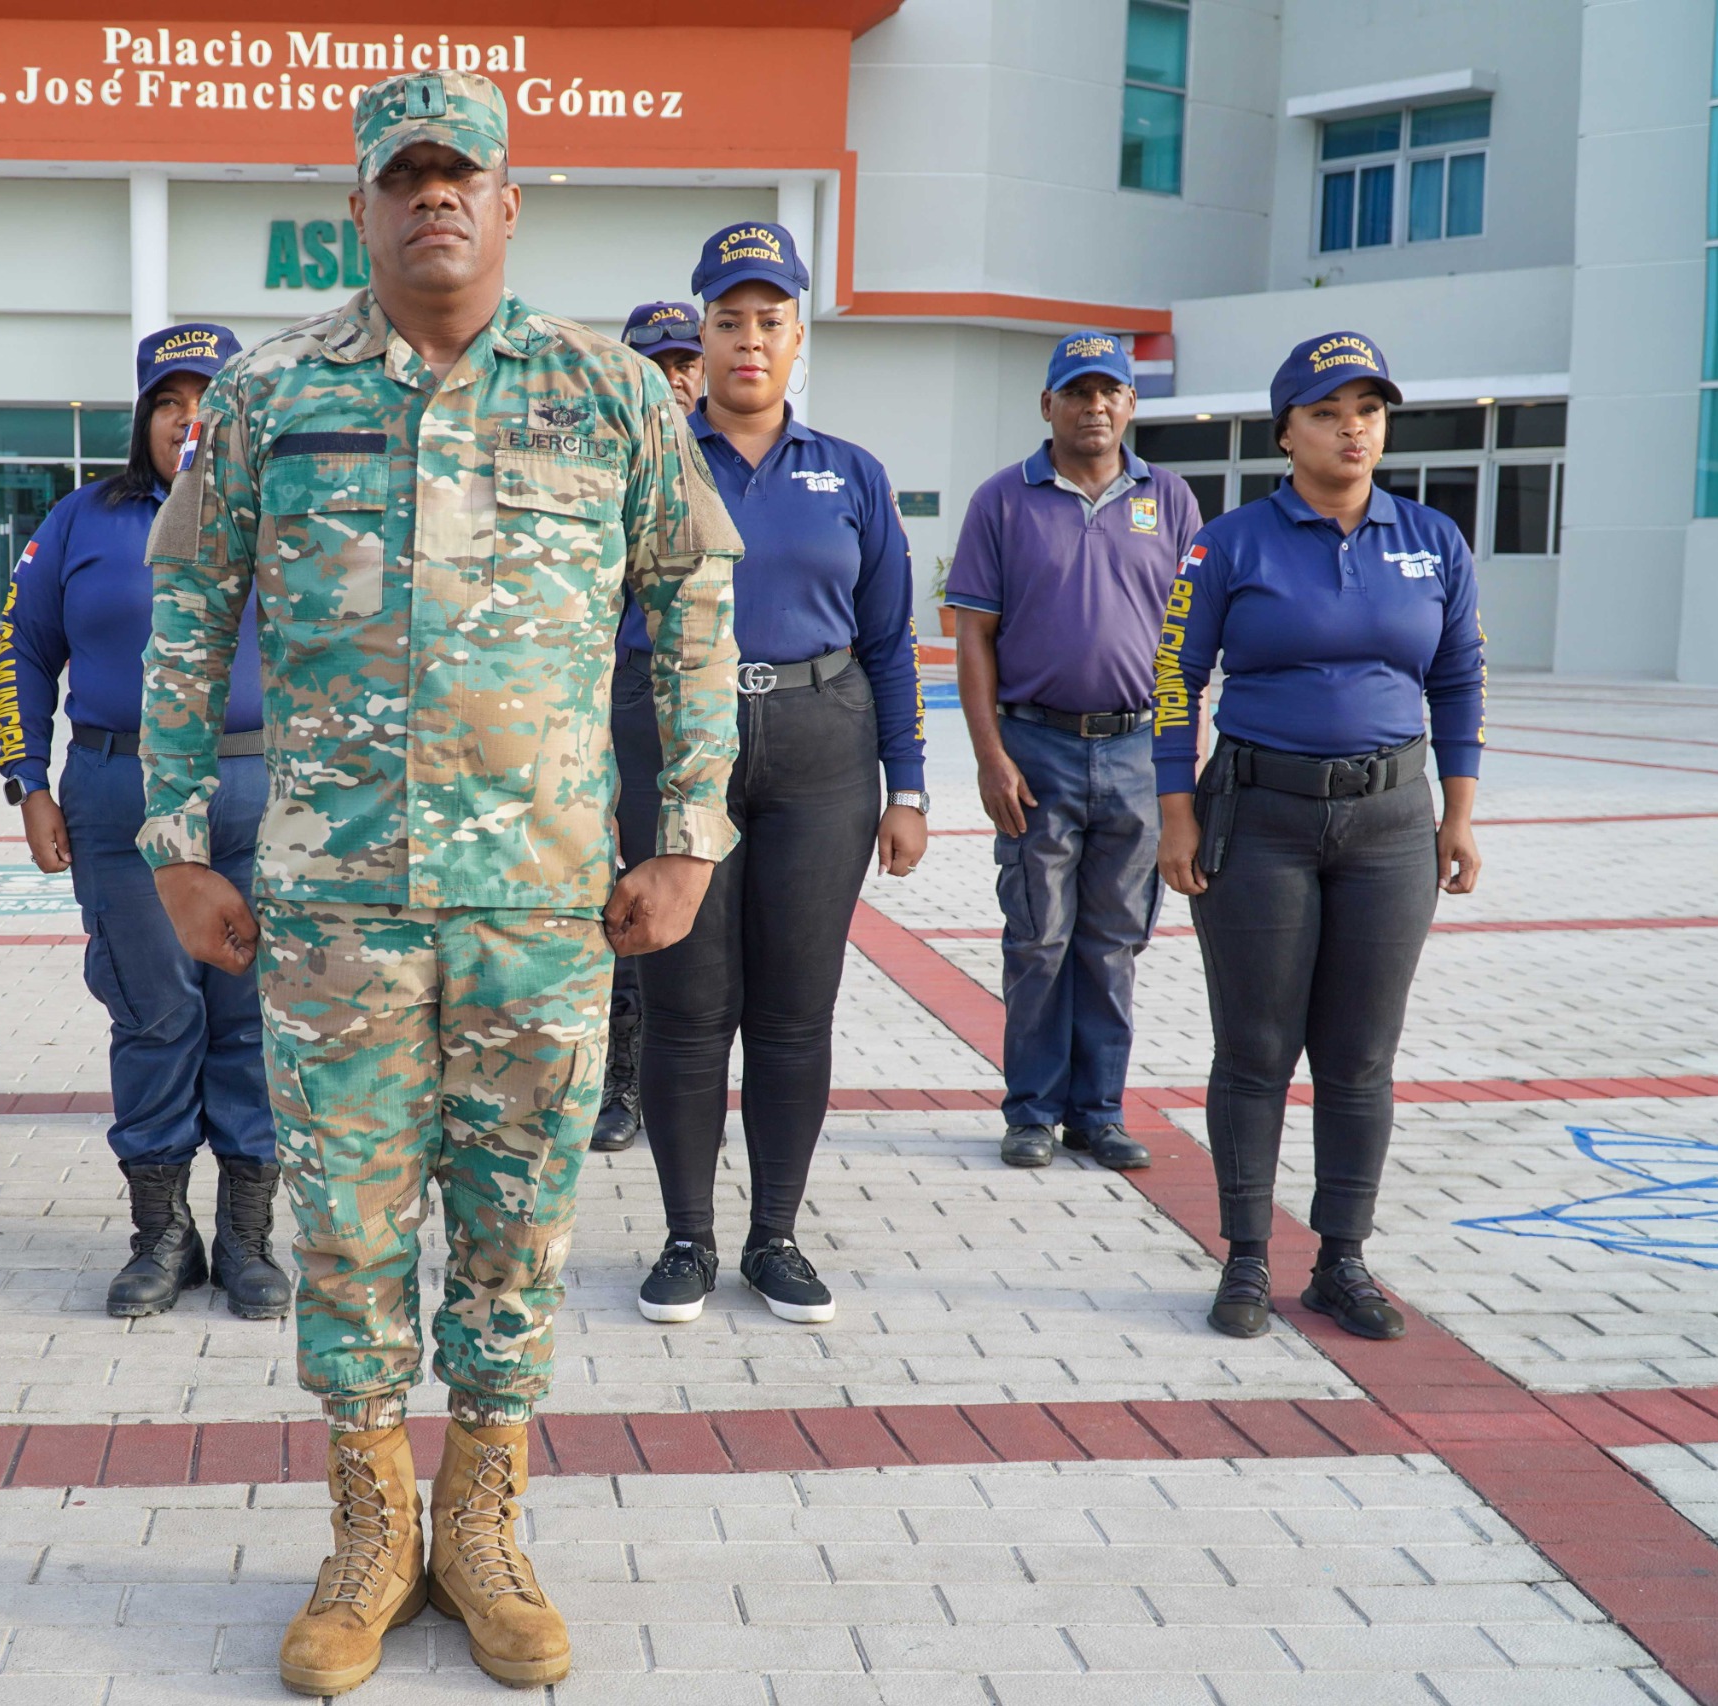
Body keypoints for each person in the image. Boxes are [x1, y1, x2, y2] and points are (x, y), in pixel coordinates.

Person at [138, 72, 740, 1696]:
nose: (432, 201)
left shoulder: (609, 390)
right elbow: (186, 612)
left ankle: (479, 1529)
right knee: (343, 1234)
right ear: (359, 206)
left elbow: (692, 605)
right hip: (336, 912)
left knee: (515, 1232)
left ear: (509, 200)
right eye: (401, 177)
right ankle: (366, 1531)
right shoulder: (268, 398)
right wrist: (178, 846)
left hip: (544, 912)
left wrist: (689, 832)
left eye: (460, 173)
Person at [1154, 331, 1484, 1344]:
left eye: (1368, 410)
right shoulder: (1229, 542)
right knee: (1254, 1048)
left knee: (1357, 1055)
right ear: (1285, 430)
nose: (1353, 427)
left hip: (1390, 821)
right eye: (1329, 411)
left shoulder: (1431, 538)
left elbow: (1458, 678)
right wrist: (1176, 811)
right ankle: (1246, 1259)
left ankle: (1341, 1259)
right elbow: (1175, 679)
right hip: (1257, 815)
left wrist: (1457, 813)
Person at [630, 222, 927, 1330]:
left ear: (797, 337)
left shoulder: (850, 474)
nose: (747, 341)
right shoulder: (651, 462)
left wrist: (908, 787)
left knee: (795, 1013)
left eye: (769, 322)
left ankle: (775, 1236)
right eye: (727, 320)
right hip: (673, 739)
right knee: (687, 1008)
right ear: (698, 336)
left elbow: (891, 640)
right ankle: (686, 1238)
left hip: (821, 741)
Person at [0, 321, 290, 1322]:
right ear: (143, 418)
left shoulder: (284, 515)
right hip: (121, 792)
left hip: (262, 795)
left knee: (250, 1020)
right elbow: (24, 651)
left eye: (208, 400)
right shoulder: (81, 520)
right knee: (156, 1013)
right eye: (169, 402)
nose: (189, 419)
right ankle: (163, 1237)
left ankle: (249, 1238)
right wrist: (26, 779)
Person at [947, 332, 1199, 1173]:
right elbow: (973, 639)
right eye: (1077, 392)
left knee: (1114, 941)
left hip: (1134, 751)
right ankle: (1031, 1111)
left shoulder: (1171, 500)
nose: (1095, 407)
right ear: (1047, 405)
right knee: (1039, 939)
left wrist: (1177, 774)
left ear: (1130, 405)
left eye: (1110, 393)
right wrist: (990, 757)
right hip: (1036, 748)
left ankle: (1098, 1111)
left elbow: (1190, 648)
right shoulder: (1002, 501)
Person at [591, 299, 707, 1155]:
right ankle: (619, 1081)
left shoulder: (725, 465)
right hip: (617, 698)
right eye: (655, 362)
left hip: (706, 705)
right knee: (620, 891)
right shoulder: (603, 463)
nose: (674, 377)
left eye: (685, 361)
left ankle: (692, 1081)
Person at [620, 299, 705, 414]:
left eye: (684, 367)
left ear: (704, 371)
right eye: (655, 369)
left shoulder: (732, 430)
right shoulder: (604, 430)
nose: (672, 381)